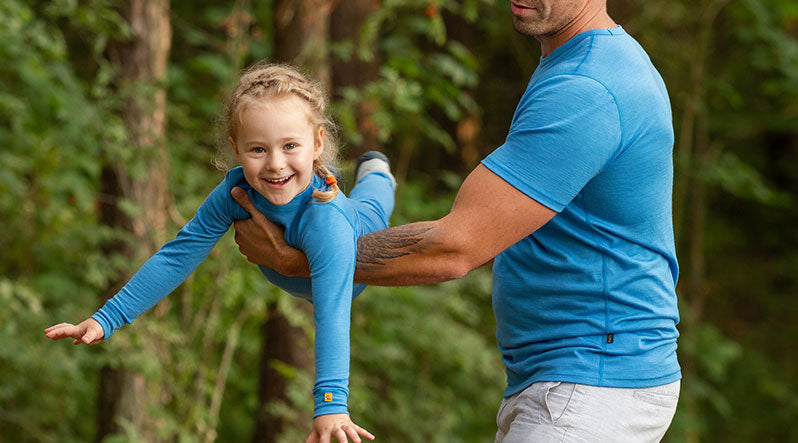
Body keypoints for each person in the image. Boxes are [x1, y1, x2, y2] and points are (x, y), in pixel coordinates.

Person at [229, 1, 681, 441]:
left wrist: (298, 260)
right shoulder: (583, 63)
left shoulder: (586, 88)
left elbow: (455, 246)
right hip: (571, 376)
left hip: (595, 380)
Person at [44, 62, 398, 443]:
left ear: (316, 144)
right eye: (258, 149)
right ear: (236, 149)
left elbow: (331, 311)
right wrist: (105, 319)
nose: (275, 164)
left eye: (290, 146)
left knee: (373, 205)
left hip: (358, 241)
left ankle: (378, 169)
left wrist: (331, 405)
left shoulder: (325, 223)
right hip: (314, 256)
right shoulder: (236, 193)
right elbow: (178, 255)